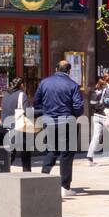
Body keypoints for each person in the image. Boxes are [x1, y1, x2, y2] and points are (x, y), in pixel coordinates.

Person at [34, 59, 85, 199]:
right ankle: (64, 186)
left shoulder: (44, 82)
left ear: (56, 68)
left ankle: (44, 177)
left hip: (49, 121)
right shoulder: (73, 85)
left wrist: (46, 112)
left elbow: (36, 102)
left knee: (52, 150)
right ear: (69, 71)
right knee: (66, 154)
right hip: (67, 121)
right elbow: (79, 107)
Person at [1, 77, 36, 172]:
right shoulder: (22, 95)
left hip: (7, 128)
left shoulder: (6, 95)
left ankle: (3, 174)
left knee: (10, 155)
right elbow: (27, 112)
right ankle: (27, 176)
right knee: (25, 155)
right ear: (21, 85)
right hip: (20, 128)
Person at [86, 72, 109, 165]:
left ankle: (89, 158)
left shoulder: (97, 89)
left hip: (96, 116)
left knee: (96, 137)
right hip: (106, 116)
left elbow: (92, 103)